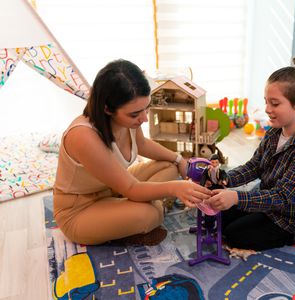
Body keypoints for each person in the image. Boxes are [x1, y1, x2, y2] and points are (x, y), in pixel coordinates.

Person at [53, 59, 211, 246]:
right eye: (135, 114)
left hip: (112, 190)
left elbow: (142, 144)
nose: (144, 118)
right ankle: (148, 211)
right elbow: (131, 189)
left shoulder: (126, 121)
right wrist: (174, 188)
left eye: (147, 108)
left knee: (169, 165)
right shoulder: (83, 136)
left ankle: (144, 206)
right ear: (107, 109)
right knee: (151, 214)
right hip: (80, 209)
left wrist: (179, 160)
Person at [205, 56, 295, 251]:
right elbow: (254, 166)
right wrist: (225, 179)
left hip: (287, 217)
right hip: (266, 202)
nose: (267, 109)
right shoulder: (273, 134)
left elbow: (282, 197)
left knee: (236, 236)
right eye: (266, 102)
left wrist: (236, 197)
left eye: (275, 104)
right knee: (220, 216)